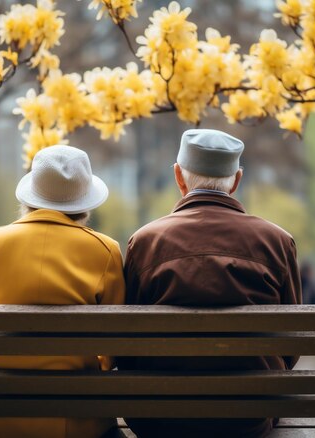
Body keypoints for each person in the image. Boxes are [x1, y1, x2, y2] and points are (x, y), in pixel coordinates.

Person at [120, 129, 302, 438]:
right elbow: (291, 343)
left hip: (159, 419)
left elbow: (127, 347)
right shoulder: (278, 242)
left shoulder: (145, 243)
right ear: (236, 180)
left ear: (179, 177)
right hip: (250, 418)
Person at [0, 145, 126, 438]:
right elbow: (112, 352)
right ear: (84, 203)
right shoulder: (105, 251)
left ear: (31, 197)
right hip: (77, 423)